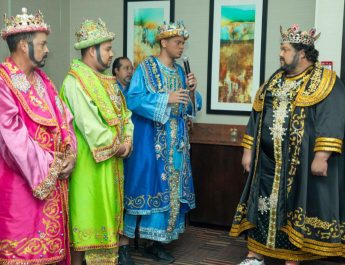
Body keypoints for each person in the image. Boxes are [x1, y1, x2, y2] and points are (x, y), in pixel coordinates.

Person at [230, 24, 345, 265]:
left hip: (299, 166)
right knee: (261, 207)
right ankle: (255, 255)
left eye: (284, 49)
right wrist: (247, 151)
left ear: (302, 52)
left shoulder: (325, 81)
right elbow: (256, 117)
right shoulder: (274, 81)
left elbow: (332, 118)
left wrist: (322, 156)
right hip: (267, 164)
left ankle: (291, 259)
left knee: (294, 207)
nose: (280, 54)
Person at [0, 7, 76, 264]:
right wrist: (53, 166)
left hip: (52, 181)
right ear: (23, 45)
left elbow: (65, 119)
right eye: (42, 44)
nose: (46, 50)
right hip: (20, 187)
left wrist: (70, 154)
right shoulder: (4, 82)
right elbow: (12, 139)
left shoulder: (43, 80)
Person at [122, 21, 202, 263]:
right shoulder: (146, 68)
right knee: (142, 188)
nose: (181, 47)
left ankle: (154, 242)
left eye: (183, 43)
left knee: (171, 191)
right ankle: (124, 246)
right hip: (150, 144)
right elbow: (133, 100)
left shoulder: (179, 71)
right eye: (177, 43)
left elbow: (190, 104)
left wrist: (191, 91)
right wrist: (165, 98)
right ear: (163, 43)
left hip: (175, 143)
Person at [59, 19, 133, 265]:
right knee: (85, 227)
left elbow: (125, 114)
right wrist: (119, 145)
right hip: (89, 168)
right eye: (108, 48)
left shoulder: (106, 82)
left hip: (111, 166)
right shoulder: (74, 82)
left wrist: (129, 138)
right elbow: (90, 126)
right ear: (92, 50)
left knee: (105, 222)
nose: (112, 54)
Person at [112, 56, 135, 265]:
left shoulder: (132, 91)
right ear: (116, 71)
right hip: (113, 149)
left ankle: (124, 246)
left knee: (127, 197)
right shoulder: (110, 90)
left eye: (131, 68)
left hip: (131, 150)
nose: (129, 71)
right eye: (126, 68)